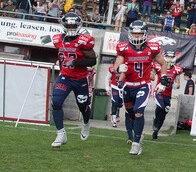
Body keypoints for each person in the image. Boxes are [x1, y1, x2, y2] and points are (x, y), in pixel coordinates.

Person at [111, 20, 168, 155]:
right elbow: (116, 66)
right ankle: (138, 134)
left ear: (145, 34)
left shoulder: (152, 48)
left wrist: (163, 80)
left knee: (138, 111)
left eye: (139, 33)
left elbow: (163, 63)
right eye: (134, 33)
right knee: (130, 114)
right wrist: (119, 69)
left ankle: (136, 143)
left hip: (143, 85)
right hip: (128, 85)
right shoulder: (124, 48)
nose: (137, 36)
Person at [50, 13, 97, 148]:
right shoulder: (58, 39)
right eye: (69, 26)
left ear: (78, 26)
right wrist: (62, 70)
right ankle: (61, 134)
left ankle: (86, 123)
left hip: (80, 78)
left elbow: (92, 61)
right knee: (56, 102)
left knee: (83, 106)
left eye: (73, 26)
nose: (71, 28)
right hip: (65, 77)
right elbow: (60, 58)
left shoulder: (84, 40)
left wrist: (76, 63)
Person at [152, 53, 182, 140]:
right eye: (168, 56)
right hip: (159, 92)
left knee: (164, 112)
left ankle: (156, 131)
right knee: (160, 107)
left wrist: (176, 85)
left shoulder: (177, 69)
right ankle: (156, 122)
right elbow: (152, 75)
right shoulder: (158, 66)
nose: (169, 58)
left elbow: (178, 84)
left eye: (171, 57)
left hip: (168, 95)